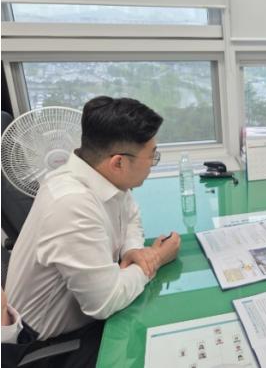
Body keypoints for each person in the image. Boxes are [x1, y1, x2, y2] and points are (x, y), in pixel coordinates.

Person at [5, 96, 181, 367]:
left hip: (83, 318)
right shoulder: (71, 204)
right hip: (53, 348)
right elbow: (105, 302)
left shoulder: (100, 174)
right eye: (152, 156)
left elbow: (131, 216)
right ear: (118, 163)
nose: (152, 163)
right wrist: (155, 258)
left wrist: (133, 250)